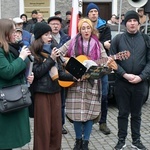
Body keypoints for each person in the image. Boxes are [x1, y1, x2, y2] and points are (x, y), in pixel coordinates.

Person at [59, 18, 117, 150]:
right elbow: (59, 54)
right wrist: (68, 65)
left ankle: (85, 142)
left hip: (92, 83)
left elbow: (104, 60)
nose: (86, 30)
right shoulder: (72, 42)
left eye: (88, 28)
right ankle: (78, 140)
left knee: (90, 113)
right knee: (76, 113)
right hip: (76, 84)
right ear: (79, 30)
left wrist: (106, 63)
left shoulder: (98, 44)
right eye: (83, 28)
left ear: (92, 29)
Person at [29, 22, 75, 150]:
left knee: (56, 128)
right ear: (39, 37)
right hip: (41, 94)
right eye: (46, 34)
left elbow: (60, 73)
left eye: (50, 34)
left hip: (55, 92)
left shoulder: (54, 49)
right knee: (43, 129)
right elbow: (37, 72)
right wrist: (51, 59)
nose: (50, 36)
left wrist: (74, 77)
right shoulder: (33, 52)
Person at [110, 10, 150, 150]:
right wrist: (124, 74)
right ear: (125, 23)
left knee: (137, 114)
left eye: (135, 21)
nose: (132, 23)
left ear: (138, 24)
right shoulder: (118, 39)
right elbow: (112, 62)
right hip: (122, 83)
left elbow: (149, 62)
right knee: (122, 113)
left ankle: (136, 140)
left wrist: (141, 76)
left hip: (140, 83)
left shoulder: (146, 39)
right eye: (129, 21)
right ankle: (121, 141)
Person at [0, 18, 34, 150]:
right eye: (13, 31)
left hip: (13, 98)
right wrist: (21, 58)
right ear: (5, 33)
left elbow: (17, 70)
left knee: (9, 141)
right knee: (4, 140)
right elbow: (7, 72)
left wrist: (27, 78)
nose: (16, 34)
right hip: (4, 100)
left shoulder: (12, 48)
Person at [86, 2, 111, 135]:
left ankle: (103, 122)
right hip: (87, 66)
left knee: (104, 95)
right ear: (88, 14)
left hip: (102, 65)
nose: (94, 13)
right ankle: (87, 121)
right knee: (87, 95)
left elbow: (107, 45)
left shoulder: (105, 27)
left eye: (95, 11)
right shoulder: (84, 27)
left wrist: (100, 44)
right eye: (91, 12)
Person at [48, 16, 71, 134]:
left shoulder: (67, 38)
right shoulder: (46, 39)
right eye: (52, 24)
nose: (55, 26)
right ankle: (50, 124)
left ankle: (60, 124)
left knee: (61, 102)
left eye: (57, 24)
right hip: (50, 74)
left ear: (61, 26)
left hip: (64, 73)